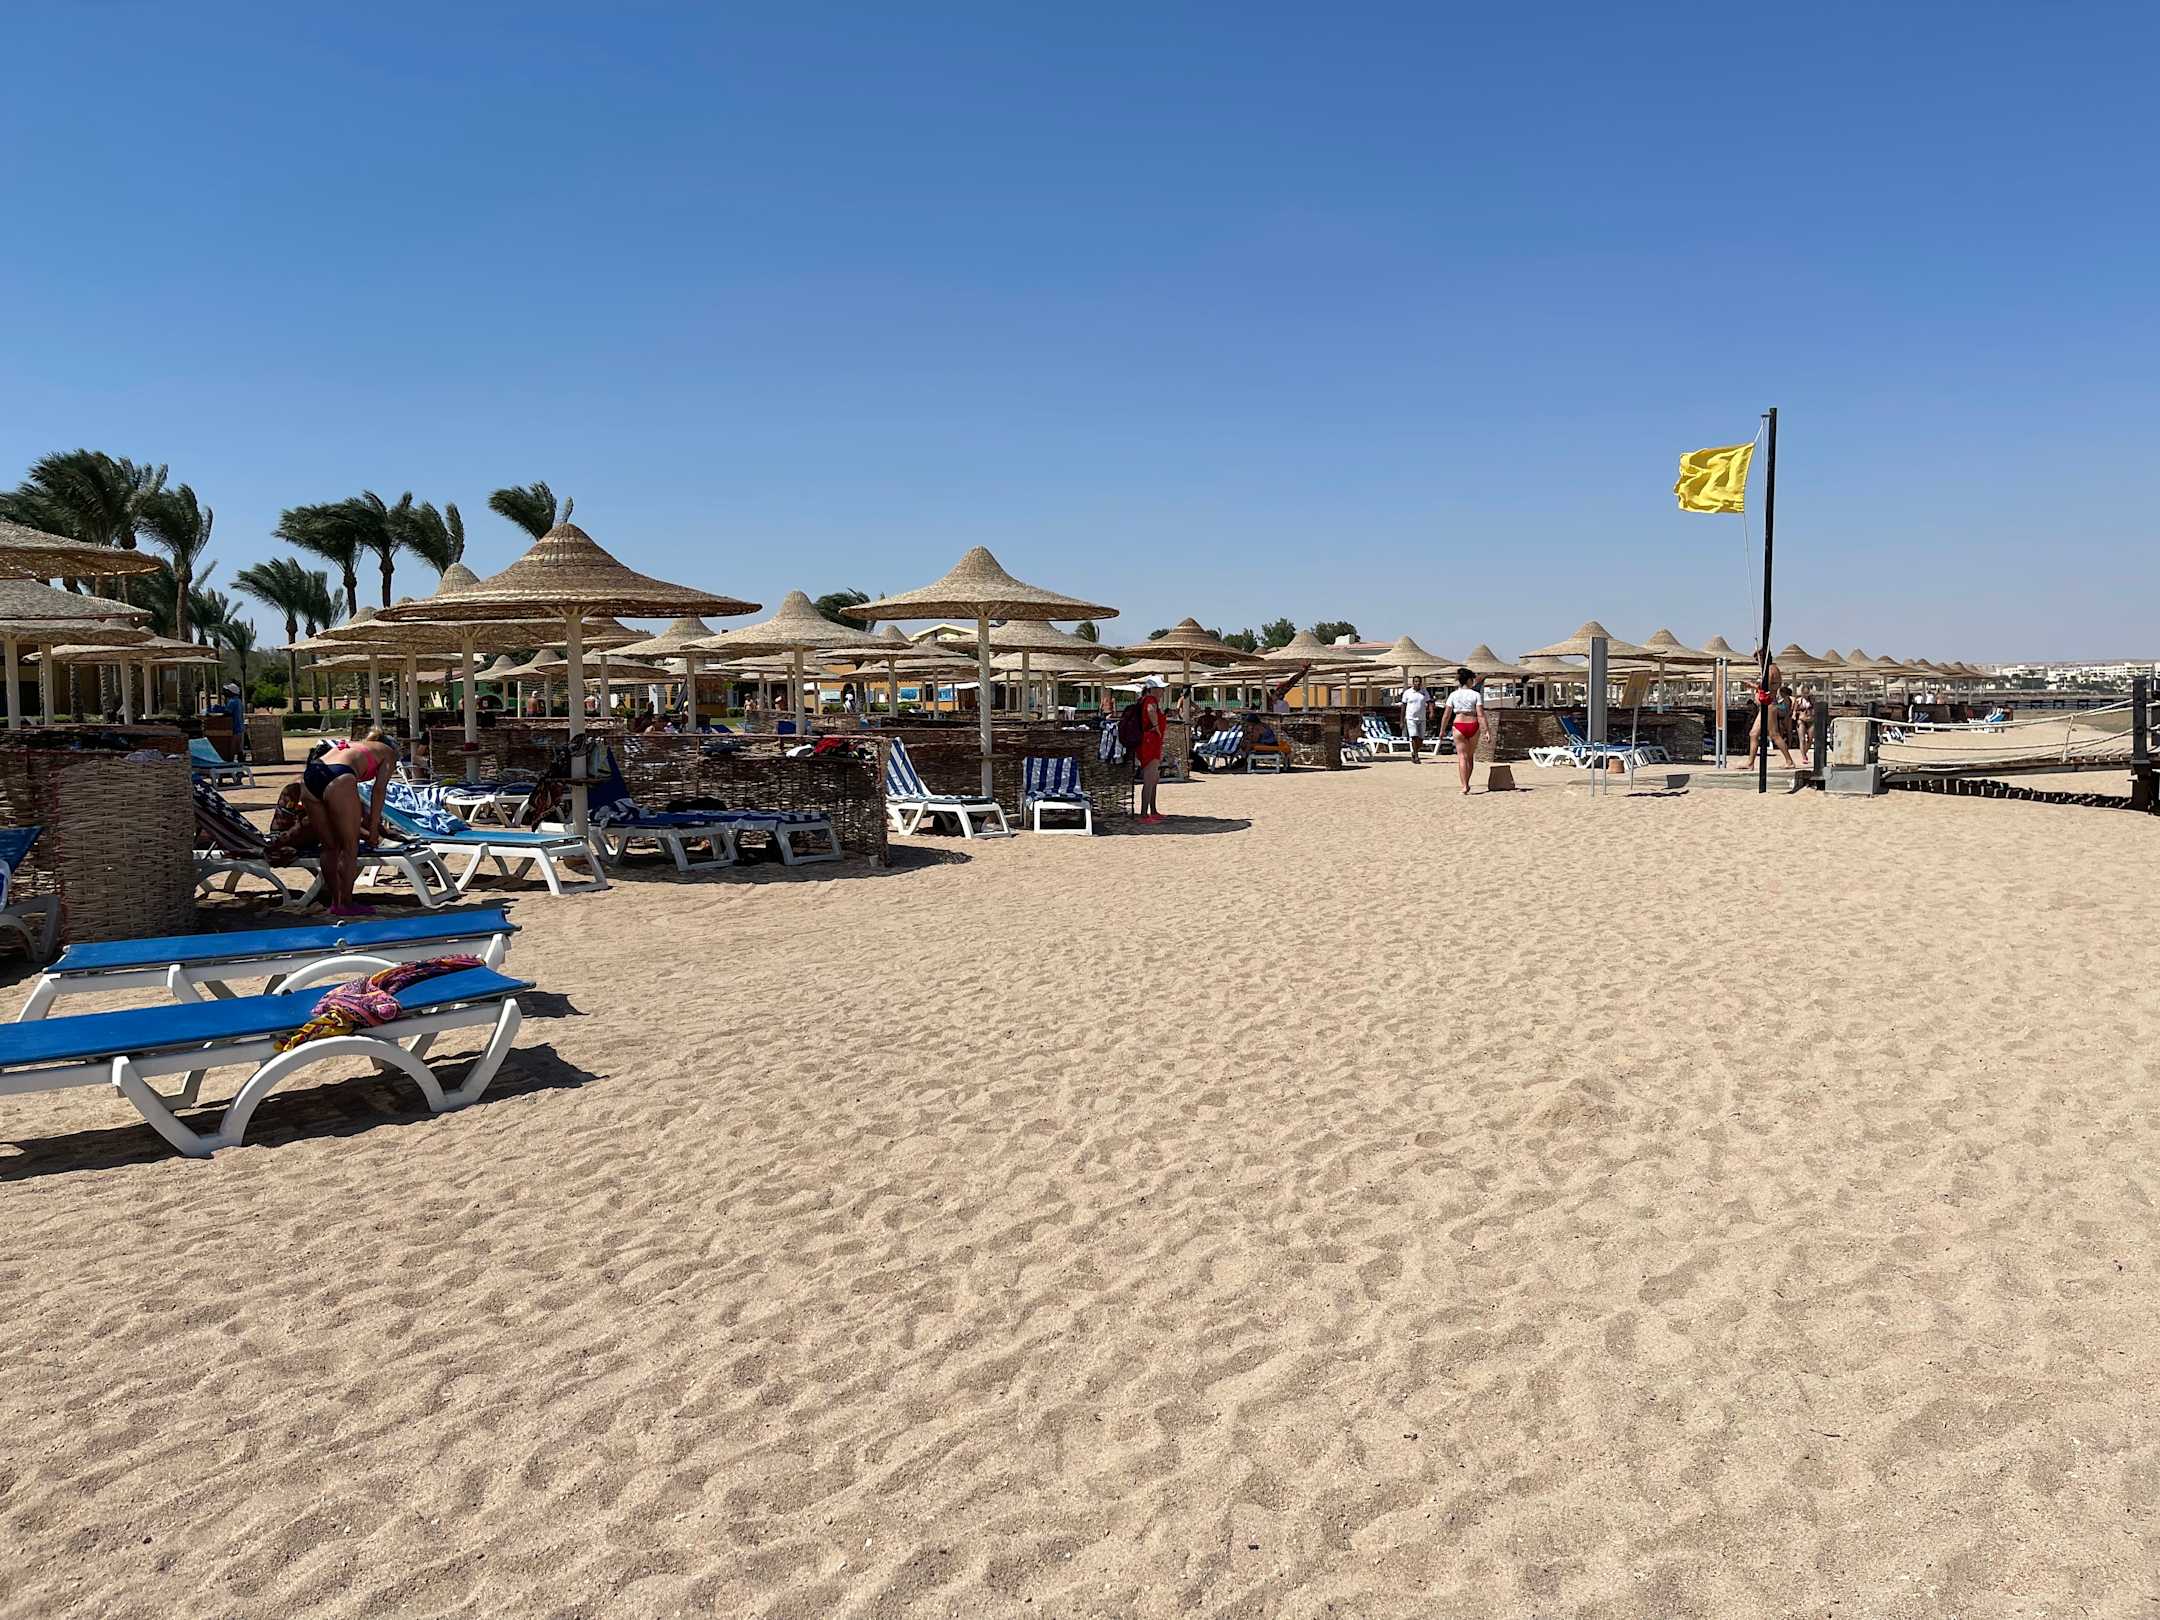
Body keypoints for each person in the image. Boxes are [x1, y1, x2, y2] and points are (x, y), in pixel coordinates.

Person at [299, 730, 400, 917]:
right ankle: (345, 903)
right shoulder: (389, 753)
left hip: (311, 775)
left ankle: (335, 902)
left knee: (329, 847)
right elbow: (379, 791)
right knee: (350, 847)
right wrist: (373, 829)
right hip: (339, 777)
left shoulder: (355, 746)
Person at [1747, 663, 1801, 771]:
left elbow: (1766, 687)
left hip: (1769, 705)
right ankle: (1750, 763)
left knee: (1774, 734)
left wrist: (1753, 685)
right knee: (1753, 734)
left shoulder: (1771, 670)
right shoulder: (1769, 669)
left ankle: (1789, 761)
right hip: (1765, 705)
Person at [1443, 667, 1485, 795]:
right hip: (1473, 724)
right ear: (1468, 680)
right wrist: (1487, 730)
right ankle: (1467, 782)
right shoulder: (1476, 694)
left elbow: (1446, 715)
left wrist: (1442, 730)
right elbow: (1481, 715)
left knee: (1462, 757)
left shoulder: (1453, 695)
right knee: (1470, 757)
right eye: (1472, 680)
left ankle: (1464, 785)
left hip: (1459, 724)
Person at [1136, 677, 1167, 824]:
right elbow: (1150, 710)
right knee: (1149, 779)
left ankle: (1153, 811)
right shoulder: (1150, 700)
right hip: (1150, 742)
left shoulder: (1146, 700)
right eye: (1160, 688)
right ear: (1152, 689)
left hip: (1152, 741)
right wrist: (1156, 727)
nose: (1162, 691)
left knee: (1154, 778)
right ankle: (1144, 814)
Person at [1401, 679, 1430, 764]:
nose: (1418, 683)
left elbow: (1429, 702)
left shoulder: (1424, 692)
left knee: (1421, 739)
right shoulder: (1407, 692)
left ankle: (1414, 752)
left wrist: (1431, 712)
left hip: (1422, 718)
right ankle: (1416, 756)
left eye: (1419, 682)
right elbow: (1403, 706)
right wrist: (1402, 720)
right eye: (1416, 681)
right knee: (1414, 736)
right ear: (1413, 683)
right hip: (1411, 718)